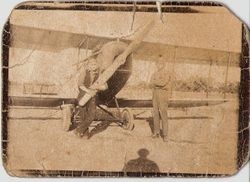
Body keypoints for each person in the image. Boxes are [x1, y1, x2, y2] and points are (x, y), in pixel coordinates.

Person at [74, 58, 107, 138]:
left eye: (95, 64)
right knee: (83, 115)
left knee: (92, 116)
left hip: (93, 96)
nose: (93, 66)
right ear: (88, 65)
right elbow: (80, 85)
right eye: (91, 64)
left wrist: (98, 87)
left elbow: (105, 87)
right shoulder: (84, 72)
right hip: (83, 96)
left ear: (97, 65)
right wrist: (89, 91)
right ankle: (85, 133)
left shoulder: (99, 74)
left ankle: (78, 130)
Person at [149, 55, 171, 142]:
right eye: (158, 63)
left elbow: (163, 83)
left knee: (163, 113)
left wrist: (155, 82)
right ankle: (156, 132)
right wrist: (155, 83)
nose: (159, 65)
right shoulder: (154, 74)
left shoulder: (167, 73)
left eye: (161, 63)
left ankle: (165, 135)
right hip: (155, 94)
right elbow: (150, 84)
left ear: (164, 64)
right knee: (155, 113)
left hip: (163, 94)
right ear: (156, 64)